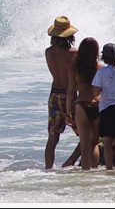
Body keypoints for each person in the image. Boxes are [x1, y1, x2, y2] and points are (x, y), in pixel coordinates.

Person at [44, 16, 79, 169]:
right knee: (87, 136)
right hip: (69, 95)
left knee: (53, 137)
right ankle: (70, 162)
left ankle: (48, 169)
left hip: (53, 95)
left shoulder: (48, 52)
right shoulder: (74, 53)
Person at [66, 37, 101, 170]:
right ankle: (95, 171)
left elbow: (70, 92)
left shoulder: (74, 68)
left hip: (82, 106)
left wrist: (68, 112)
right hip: (97, 106)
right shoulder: (100, 68)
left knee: (85, 144)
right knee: (94, 143)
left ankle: (86, 172)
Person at [92, 43, 115, 170]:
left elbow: (95, 92)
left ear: (104, 57)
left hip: (106, 107)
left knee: (107, 140)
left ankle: (108, 167)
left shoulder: (101, 72)